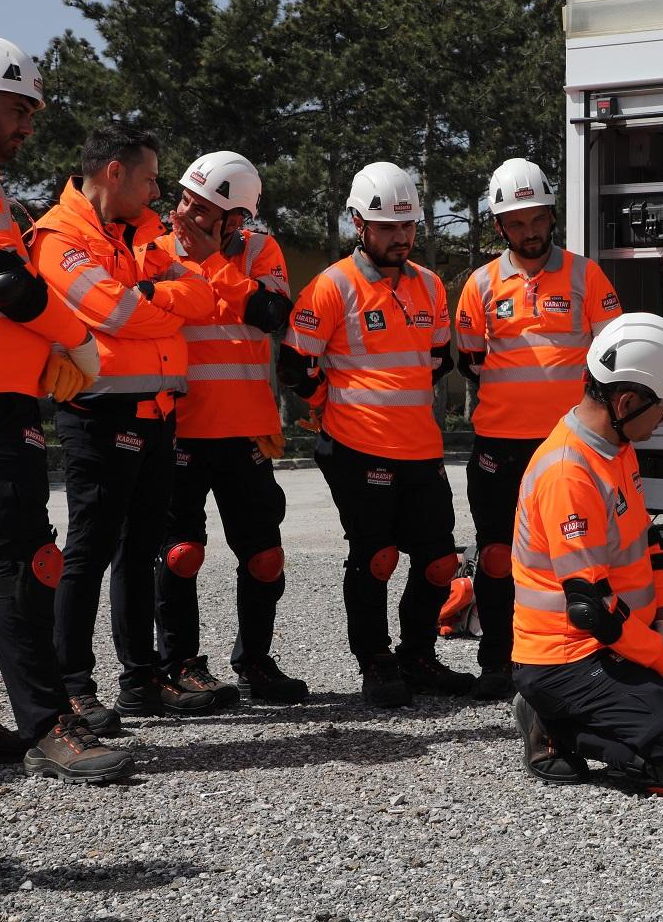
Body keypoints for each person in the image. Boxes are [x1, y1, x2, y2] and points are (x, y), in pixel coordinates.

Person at [0, 35, 132, 782]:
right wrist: (77, 339)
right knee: (27, 555)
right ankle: (49, 724)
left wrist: (38, 356)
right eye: (16, 110)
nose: (28, 127)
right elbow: (4, 282)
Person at [32, 123, 217, 732]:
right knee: (87, 553)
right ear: (114, 172)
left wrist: (147, 295)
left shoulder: (142, 234)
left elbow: (203, 298)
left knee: (139, 553)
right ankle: (71, 688)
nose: (157, 191)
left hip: (157, 413)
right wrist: (158, 302)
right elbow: (111, 310)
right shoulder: (60, 236)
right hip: (99, 415)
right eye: (150, 178)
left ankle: (140, 680)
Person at [279, 161, 470, 707]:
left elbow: (438, 359)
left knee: (439, 561)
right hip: (356, 447)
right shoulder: (332, 285)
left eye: (408, 226)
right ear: (358, 224)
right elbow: (294, 365)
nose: (401, 237)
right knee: (377, 557)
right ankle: (376, 661)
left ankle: (418, 656)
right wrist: (326, 402)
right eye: (388, 227)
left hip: (421, 446)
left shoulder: (430, 284)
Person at [509, 313, 663, 796]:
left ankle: (651, 713)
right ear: (626, 402)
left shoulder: (616, 445)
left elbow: (649, 543)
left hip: (623, 633)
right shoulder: (569, 473)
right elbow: (591, 609)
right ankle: (554, 724)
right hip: (569, 657)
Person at [454, 157, 622, 699]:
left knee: (580, 554)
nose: (530, 232)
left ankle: (587, 654)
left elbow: (614, 354)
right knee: (497, 555)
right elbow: (470, 362)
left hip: (572, 447)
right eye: (517, 223)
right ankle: (498, 658)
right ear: (500, 226)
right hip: (500, 445)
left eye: (538, 219)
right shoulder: (480, 284)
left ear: (552, 216)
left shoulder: (585, 275)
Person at [146, 151, 305, 705]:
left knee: (264, 557)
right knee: (180, 553)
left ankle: (255, 663)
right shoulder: (154, 250)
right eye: (184, 200)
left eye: (201, 208)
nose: (183, 214)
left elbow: (272, 316)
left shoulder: (261, 251)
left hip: (245, 429)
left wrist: (213, 262)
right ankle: (179, 665)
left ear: (236, 218)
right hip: (177, 428)